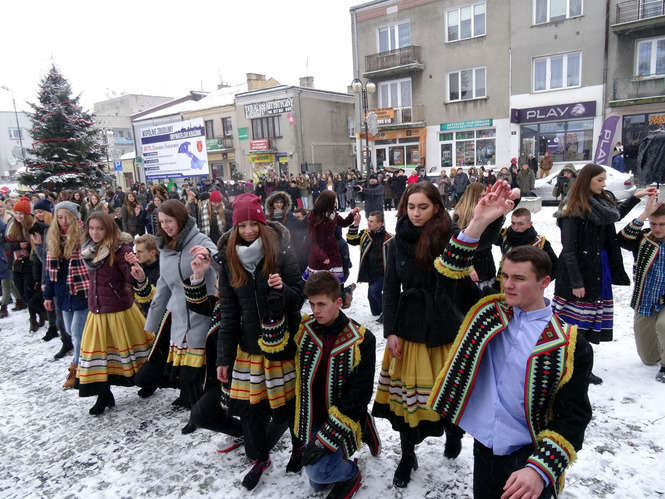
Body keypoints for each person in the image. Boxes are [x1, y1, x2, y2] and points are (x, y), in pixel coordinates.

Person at [373, 181, 516, 488]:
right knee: (408, 399)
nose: (415, 213)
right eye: (411, 207)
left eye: (423, 207)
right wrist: (391, 332)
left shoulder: (448, 235)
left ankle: (453, 431)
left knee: (449, 389)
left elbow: (478, 241)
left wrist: (493, 217)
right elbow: (391, 289)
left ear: (436, 207)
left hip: (444, 323)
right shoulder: (396, 243)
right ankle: (407, 454)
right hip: (409, 327)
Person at [427, 245, 593, 499]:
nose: (507, 285)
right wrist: (478, 225)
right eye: (504, 276)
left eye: (519, 278)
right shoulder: (489, 314)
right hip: (485, 448)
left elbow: (574, 417)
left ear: (544, 282)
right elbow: (448, 275)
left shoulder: (568, 344)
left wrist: (539, 470)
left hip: (530, 457)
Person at [213, 193, 305, 490]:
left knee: (288, 404)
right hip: (249, 348)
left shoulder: (281, 252)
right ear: (235, 228)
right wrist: (223, 358)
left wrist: (283, 289)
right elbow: (228, 313)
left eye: (254, 224)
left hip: (282, 343)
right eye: (242, 226)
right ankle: (261, 458)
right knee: (250, 409)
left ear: (262, 224)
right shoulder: (229, 261)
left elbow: (300, 295)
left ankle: (298, 447)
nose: (249, 230)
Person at [553, 163, 656, 385]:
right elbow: (569, 251)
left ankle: (582, 367)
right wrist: (576, 282)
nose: (604, 183)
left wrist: (636, 198)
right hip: (579, 273)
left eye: (604, 179)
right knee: (575, 325)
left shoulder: (601, 202)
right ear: (586, 181)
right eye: (599, 180)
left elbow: (615, 214)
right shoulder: (573, 208)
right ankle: (571, 368)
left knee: (589, 323)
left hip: (598, 269)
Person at [284, 271, 377, 498]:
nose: (315, 310)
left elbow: (360, 393)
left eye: (322, 304)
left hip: (342, 415)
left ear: (338, 302)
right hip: (312, 416)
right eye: (312, 304)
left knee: (320, 472)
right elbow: (277, 353)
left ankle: (352, 473)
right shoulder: (304, 329)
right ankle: (364, 423)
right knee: (318, 483)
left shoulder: (362, 339)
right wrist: (273, 312)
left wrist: (324, 441)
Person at [137, 200, 218, 408]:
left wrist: (208, 255)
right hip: (178, 315)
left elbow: (220, 261)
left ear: (180, 219)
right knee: (182, 362)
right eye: (161, 222)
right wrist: (152, 322)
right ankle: (187, 397)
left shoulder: (199, 239)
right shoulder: (164, 246)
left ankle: (201, 406)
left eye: (169, 221)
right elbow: (163, 286)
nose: (165, 226)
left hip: (202, 310)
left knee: (199, 363)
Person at [78, 212, 154, 415]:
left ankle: (149, 381)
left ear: (109, 229)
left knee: (134, 353)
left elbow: (131, 277)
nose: (95, 232)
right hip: (96, 311)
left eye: (100, 228)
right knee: (99, 357)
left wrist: (136, 272)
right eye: (92, 228)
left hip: (120, 311)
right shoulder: (88, 250)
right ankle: (104, 395)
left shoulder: (121, 249)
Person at [618, 195, 665, 383]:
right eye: (653, 224)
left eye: (662, 224)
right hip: (645, 300)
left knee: (663, 325)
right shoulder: (643, 238)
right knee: (648, 358)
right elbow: (622, 239)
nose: (657, 228)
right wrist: (645, 213)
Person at [43, 202, 90, 389]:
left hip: (82, 289)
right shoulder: (53, 238)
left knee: (77, 333)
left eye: (66, 217)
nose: (63, 221)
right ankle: (87, 360)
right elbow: (49, 272)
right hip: (62, 292)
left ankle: (76, 370)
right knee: (71, 331)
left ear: (74, 218)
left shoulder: (84, 235)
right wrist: (48, 296)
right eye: (59, 217)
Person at [453, 183, 506, 292]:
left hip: (486, 266)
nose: (484, 198)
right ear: (473, 196)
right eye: (482, 196)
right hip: (469, 269)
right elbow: (469, 244)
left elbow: (492, 239)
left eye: (485, 195)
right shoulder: (460, 215)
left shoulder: (486, 210)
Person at [495, 207, 558, 286]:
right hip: (503, 283)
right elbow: (487, 235)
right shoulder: (504, 235)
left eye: (520, 224)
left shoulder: (540, 242)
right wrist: (500, 216)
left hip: (526, 287)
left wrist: (539, 283)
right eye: (513, 223)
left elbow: (555, 267)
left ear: (529, 224)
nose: (515, 227)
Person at [304, 190, 358, 282]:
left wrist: (352, 214)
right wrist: (322, 256)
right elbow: (313, 241)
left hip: (333, 252)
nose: (335, 203)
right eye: (333, 201)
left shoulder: (332, 214)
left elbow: (344, 223)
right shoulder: (314, 216)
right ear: (327, 202)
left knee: (333, 283)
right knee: (319, 284)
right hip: (319, 254)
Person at [346, 210, 391, 320]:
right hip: (370, 273)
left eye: (371, 221)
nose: (368, 223)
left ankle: (387, 312)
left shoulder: (389, 238)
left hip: (384, 274)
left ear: (379, 224)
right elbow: (351, 240)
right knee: (371, 297)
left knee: (373, 291)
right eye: (368, 220)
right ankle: (378, 313)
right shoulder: (365, 235)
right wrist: (356, 224)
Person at [4, 197, 34, 321]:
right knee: (20, 289)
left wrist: (28, 247)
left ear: (26, 214)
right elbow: (6, 244)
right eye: (16, 213)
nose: (18, 216)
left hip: (30, 262)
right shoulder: (12, 224)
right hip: (16, 262)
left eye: (21, 213)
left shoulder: (32, 225)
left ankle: (34, 317)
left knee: (28, 290)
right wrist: (18, 245)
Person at [127, 234, 160, 316]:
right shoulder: (138, 268)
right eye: (136, 251)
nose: (137, 255)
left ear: (153, 252)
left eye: (140, 252)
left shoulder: (163, 269)